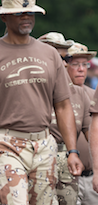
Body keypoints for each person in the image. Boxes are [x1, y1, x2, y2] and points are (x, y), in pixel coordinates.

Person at [0, 0, 83, 205]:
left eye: (30, 13)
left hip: (44, 144)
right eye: (19, 13)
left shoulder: (49, 55)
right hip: (5, 143)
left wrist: (72, 150)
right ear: (4, 17)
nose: (26, 17)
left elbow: (63, 107)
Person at [39, 33, 91, 205]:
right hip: (37, 158)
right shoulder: (31, 87)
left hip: (66, 161)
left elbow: (90, 132)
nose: (61, 62)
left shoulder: (78, 93)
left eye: (63, 57)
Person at [60, 43, 98, 205]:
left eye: (85, 64)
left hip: (90, 176)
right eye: (75, 64)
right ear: (65, 65)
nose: (81, 69)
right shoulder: (58, 99)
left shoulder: (93, 95)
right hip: (64, 175)